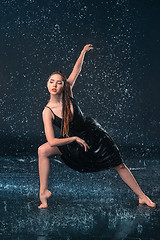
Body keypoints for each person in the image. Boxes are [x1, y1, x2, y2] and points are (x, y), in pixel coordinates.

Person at [38, 44, 156, 209]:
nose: (54, 85)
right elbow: (51, 141)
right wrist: (73, 138)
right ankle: (43, 191)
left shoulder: (68, 93)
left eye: (58, 83)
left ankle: (142, 196)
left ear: (64, 85)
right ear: (47, 83)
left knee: (119, 164)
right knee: (42, 150)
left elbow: (77, 70)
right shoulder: (47, 111)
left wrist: (82, 53)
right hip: (73, 142)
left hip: (94, 135)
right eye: (51, 82)